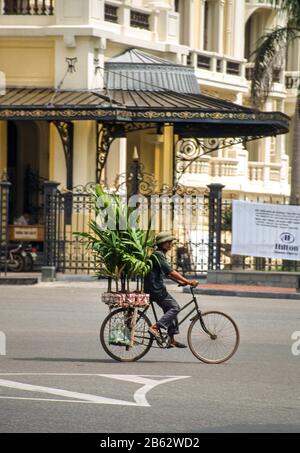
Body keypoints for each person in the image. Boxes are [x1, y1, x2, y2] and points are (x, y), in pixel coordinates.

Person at [144, 232, 198, 349]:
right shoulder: (158, 255)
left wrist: (180, 282)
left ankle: (171, 340)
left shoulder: (160, 255)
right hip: (155, 289)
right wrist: (188, 281)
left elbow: (168, 274)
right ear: (162, 244)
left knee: (171, 308)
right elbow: (171, 272)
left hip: (155, 288)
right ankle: (155, 327)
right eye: (169, 242)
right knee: (175, 308)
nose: (171, 245)